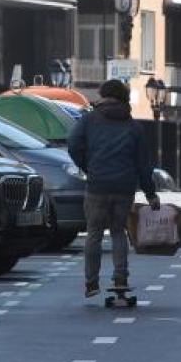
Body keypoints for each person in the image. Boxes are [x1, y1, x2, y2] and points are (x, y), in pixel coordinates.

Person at [67, 79, 159, 298]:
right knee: (119, 231)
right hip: (124, 187)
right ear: (123, 98)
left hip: (97, 184)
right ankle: (120, 278)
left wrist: (87, 165)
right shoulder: (133, 126)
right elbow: (143, 164)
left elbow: (73, 144)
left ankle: (91, 282)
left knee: (94, 234)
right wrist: (151, 194)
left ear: (103, 95)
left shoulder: (89, 120)